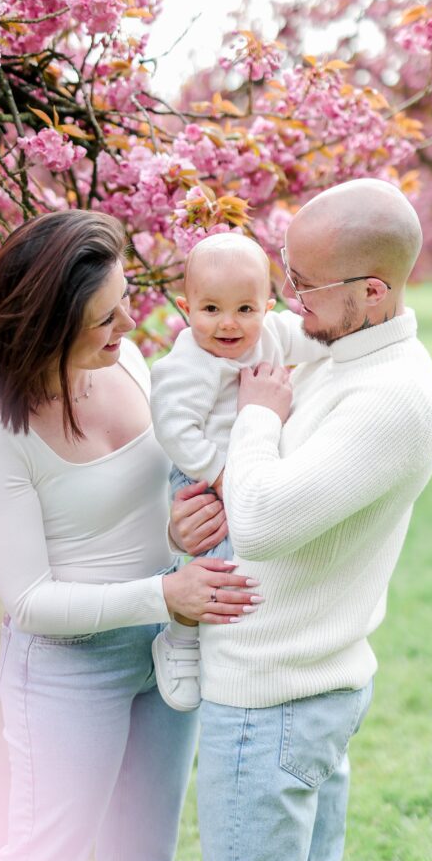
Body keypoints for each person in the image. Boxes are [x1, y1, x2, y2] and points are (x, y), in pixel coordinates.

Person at [0, 209, 261, 861]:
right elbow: (28, 602)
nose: (132, 319)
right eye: (106, 316)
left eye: (125, 299)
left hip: (165, 652)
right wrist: (163, 591)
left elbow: (146, 499)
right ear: (48, 325)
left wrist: (179, 527)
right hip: (67, 673)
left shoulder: (125, 362)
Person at [171, 179, 432, 861]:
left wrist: (258, 417)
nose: (288, 303)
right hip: (304, 683)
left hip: (274, 696)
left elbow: (259, 521)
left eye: (303, 285)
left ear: (371, 290)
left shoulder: (390, 396)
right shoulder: (342, 347)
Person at [150, 232, 329, 711]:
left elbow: (318, 339)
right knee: (214, 564)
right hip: (203, 477)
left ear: (266, 307)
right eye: (211, 310)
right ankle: (181, 638)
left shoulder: (270, 335)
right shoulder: (188, 365)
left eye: (245, 310)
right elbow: (175, 430)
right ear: (187, 308)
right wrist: (219, 473)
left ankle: (244, 634)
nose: (228, 324)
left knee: (258, 557)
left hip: (252, 469)